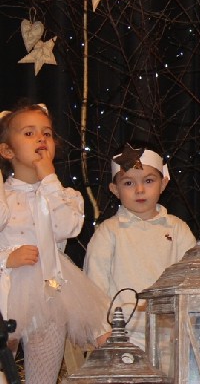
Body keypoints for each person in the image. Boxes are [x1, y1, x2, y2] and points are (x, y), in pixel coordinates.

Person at [0, 102, 110, 383]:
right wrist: (6, 258)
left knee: (44, 373)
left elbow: (68, 227)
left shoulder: (64, 194)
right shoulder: (3, 197)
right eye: (29, 133)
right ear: (7, 151)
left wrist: (48, 178)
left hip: (52, 292)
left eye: (46, 133)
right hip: (6, 291)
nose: (40, 138)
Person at [83, 143, 196, 350]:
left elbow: (193, 281)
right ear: (115, 189)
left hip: (171, 335)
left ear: (163, 183)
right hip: (121, 335)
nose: (140, 190)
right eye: (128, 183)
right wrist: (101, 332)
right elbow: (94, 287)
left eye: (149, 181)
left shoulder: (178, 230)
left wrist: (190, 325)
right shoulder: (109, 232)